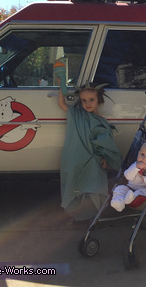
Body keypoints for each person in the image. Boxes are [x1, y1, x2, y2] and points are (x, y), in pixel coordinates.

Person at [55, 61, 121, 222]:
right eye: (83, 100)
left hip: (94, 161)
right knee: (77, 187)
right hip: (77, 158)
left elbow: (105, 144)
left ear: (99, 100)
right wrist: (61, 83)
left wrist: (105, 158)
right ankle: (77, 215)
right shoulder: (77, 115)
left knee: (93, 187)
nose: (87, 104)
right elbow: (62, 104)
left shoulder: (101, 121)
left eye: (91, 100)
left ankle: (92, 215)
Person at [110, 132, 146, 212]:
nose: (144, 159)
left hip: (143, 190)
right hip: (130, 187)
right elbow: (128, 176)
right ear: (138, 153)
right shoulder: (135, 165)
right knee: (119, 189)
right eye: (142, 154)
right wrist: (135, 168)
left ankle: (131, 198)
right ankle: (118, 203)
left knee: (141, 192)